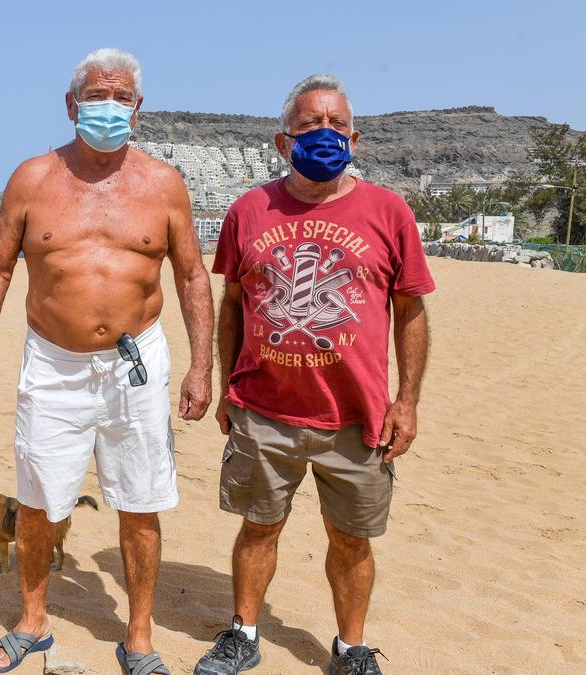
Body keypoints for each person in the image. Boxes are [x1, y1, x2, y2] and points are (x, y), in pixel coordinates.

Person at [0, 48, 214, 674]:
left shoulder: (163, 183)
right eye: (97, 98)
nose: (110, 108)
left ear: (138, 108)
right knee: (41, 496)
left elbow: (190, 276)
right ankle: (33, 620)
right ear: (72, 106)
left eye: (121, 98)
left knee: (140, 498)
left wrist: (201, 365)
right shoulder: (33, 178)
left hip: (136, 362)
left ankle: (139, 636)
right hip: (52, 364)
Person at [193, 74, 434, 675]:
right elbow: (232, 304)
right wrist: (227, 387)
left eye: (334, 125)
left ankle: (351, 648)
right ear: (282, 142)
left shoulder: (388, 210)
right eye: (308, 126)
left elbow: (410, 309)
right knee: (258, 526)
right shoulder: (249, 210)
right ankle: (243, 633)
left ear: (355, 137)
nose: (322, 134)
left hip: (357, 419)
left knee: (352, 540)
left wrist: (406, 401)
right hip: (264, 413)